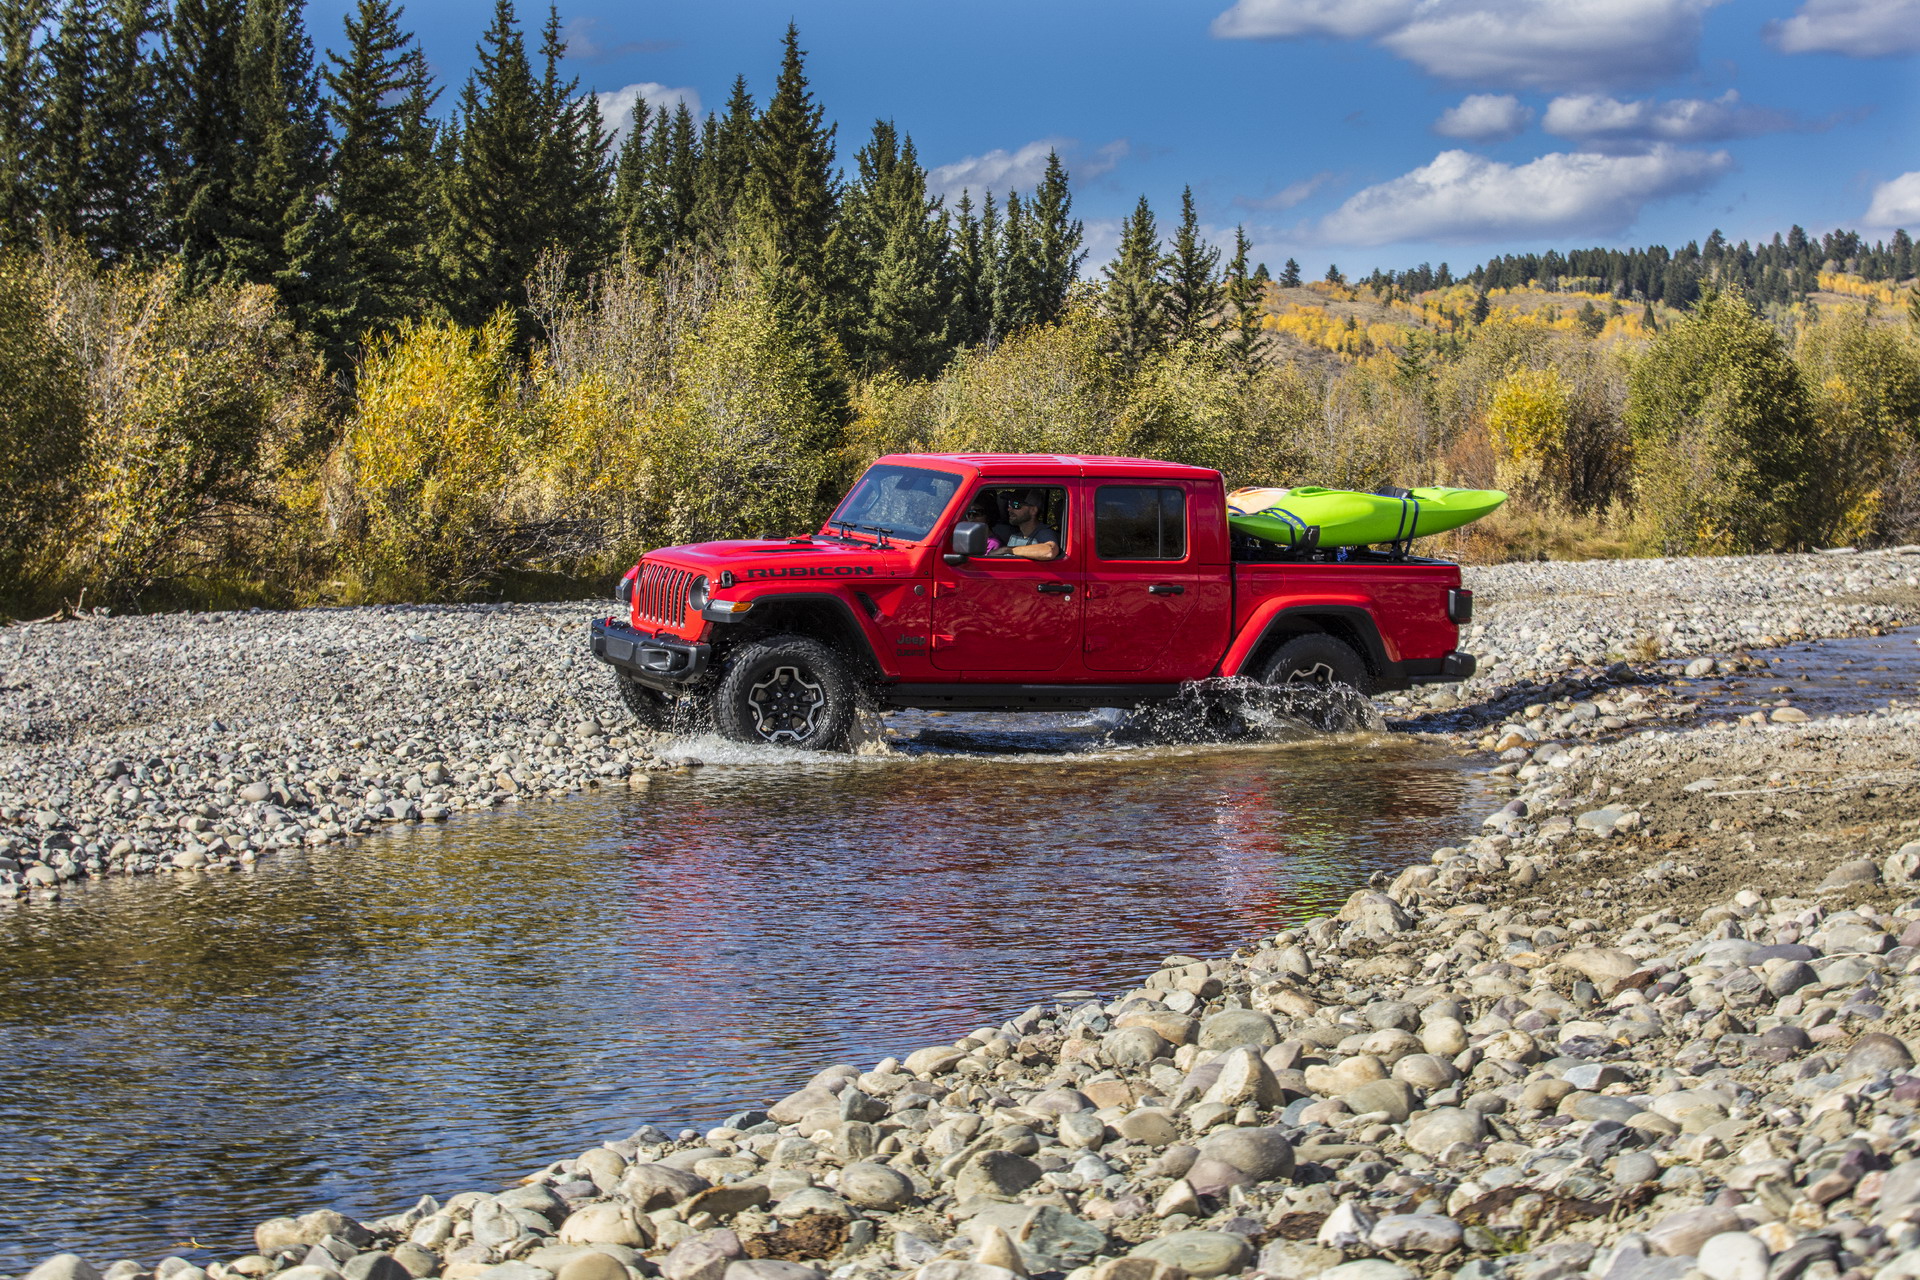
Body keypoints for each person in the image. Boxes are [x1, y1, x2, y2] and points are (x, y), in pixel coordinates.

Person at [994, 489, 1060, 559]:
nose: (1009, 509)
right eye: (1010, 504)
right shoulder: (1015, 536)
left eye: (1016, 504)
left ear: (1033, 510)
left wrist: (1008, 550)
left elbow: (1049, 551)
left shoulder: (1044, 533)